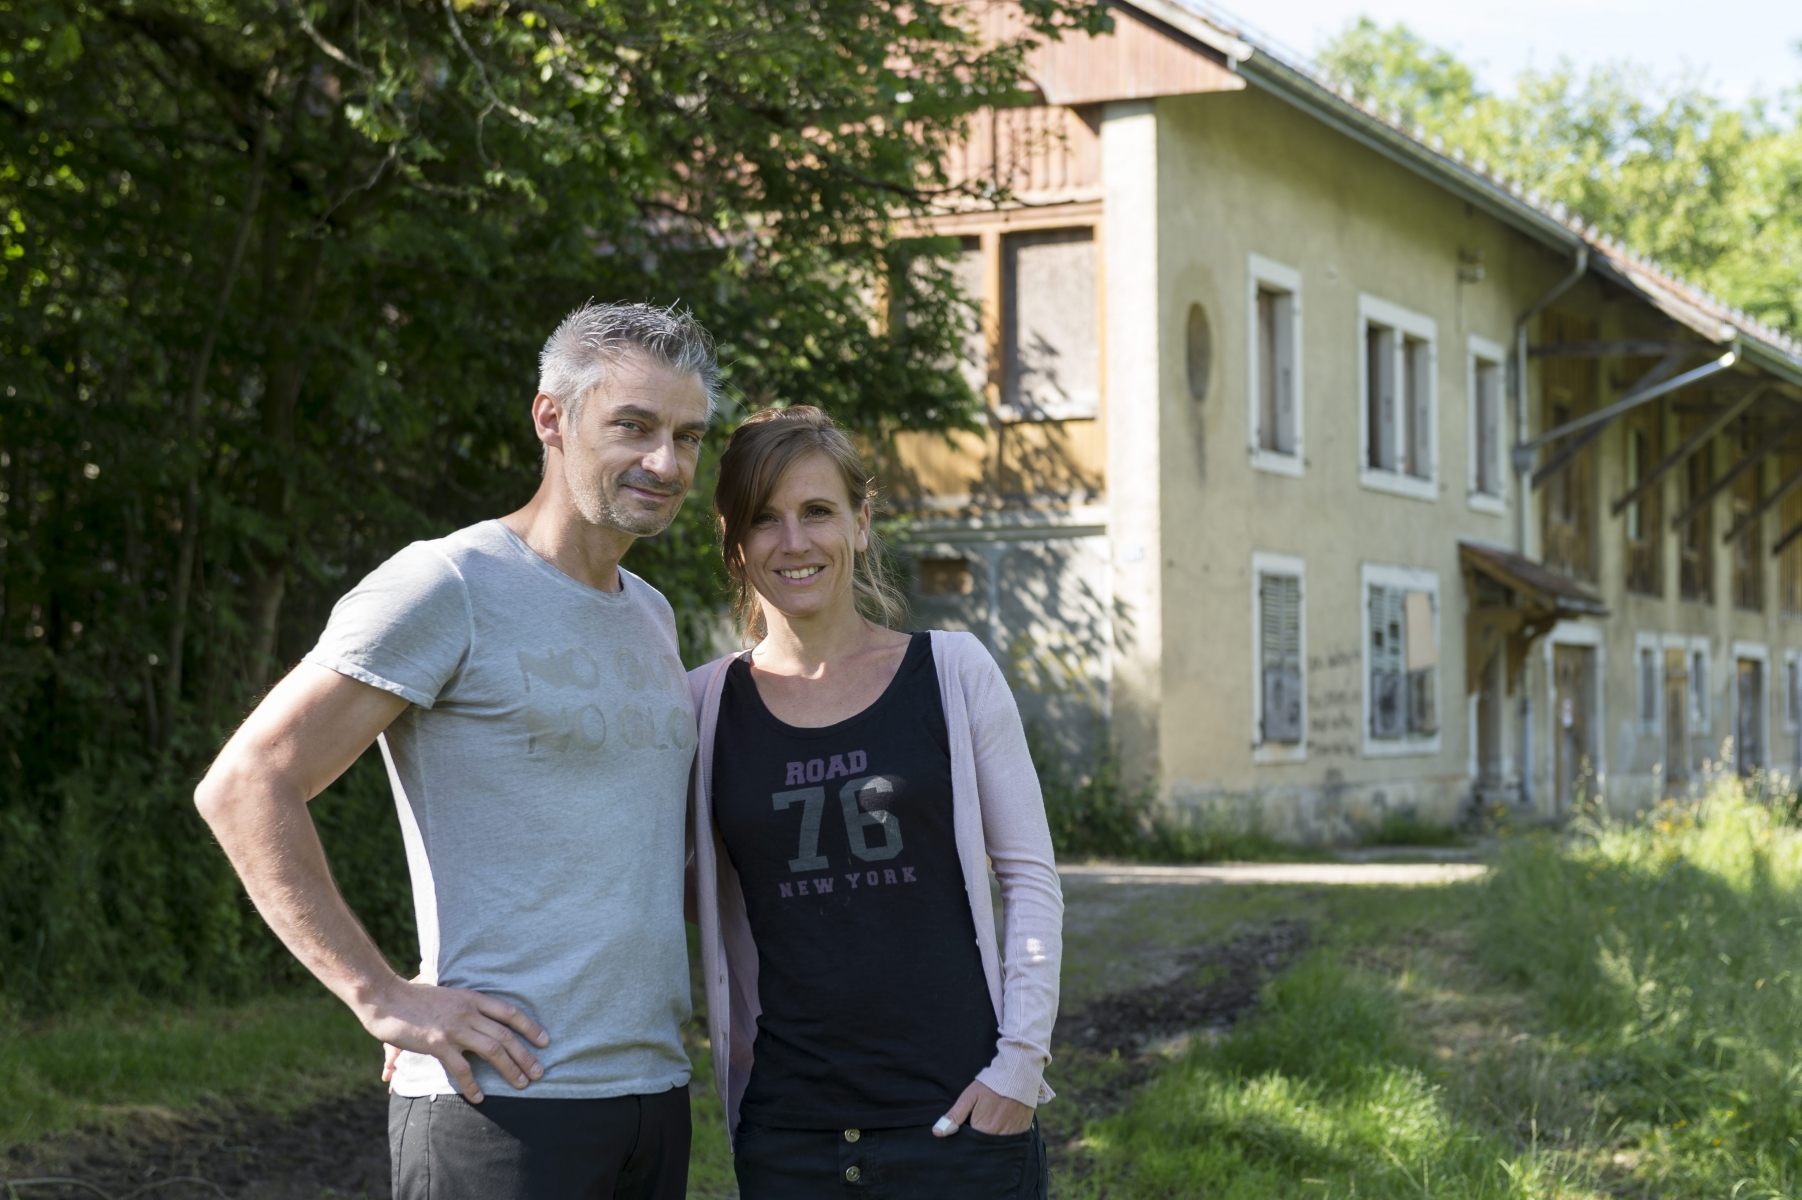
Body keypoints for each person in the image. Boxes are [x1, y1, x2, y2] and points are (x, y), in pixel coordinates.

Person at [193, 301, 716, 1200]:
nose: (665, 462)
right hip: (501, 1107)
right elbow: (246, 784)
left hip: (652, 1098)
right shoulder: (449, 584)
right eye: (633, 426)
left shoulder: (651, 613)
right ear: (551, 417)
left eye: (688, 435)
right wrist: (384, 996)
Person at [687, 406, 1064, 1198]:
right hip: (790, 1138)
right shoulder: (703, 706)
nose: (794, 542)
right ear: (734, 539)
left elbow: (1030, 880)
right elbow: (627, 881)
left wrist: (1019, 1070)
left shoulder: (954, 674)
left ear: (861, 523)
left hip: (960, 1123)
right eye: (765, 519)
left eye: (817, 512)